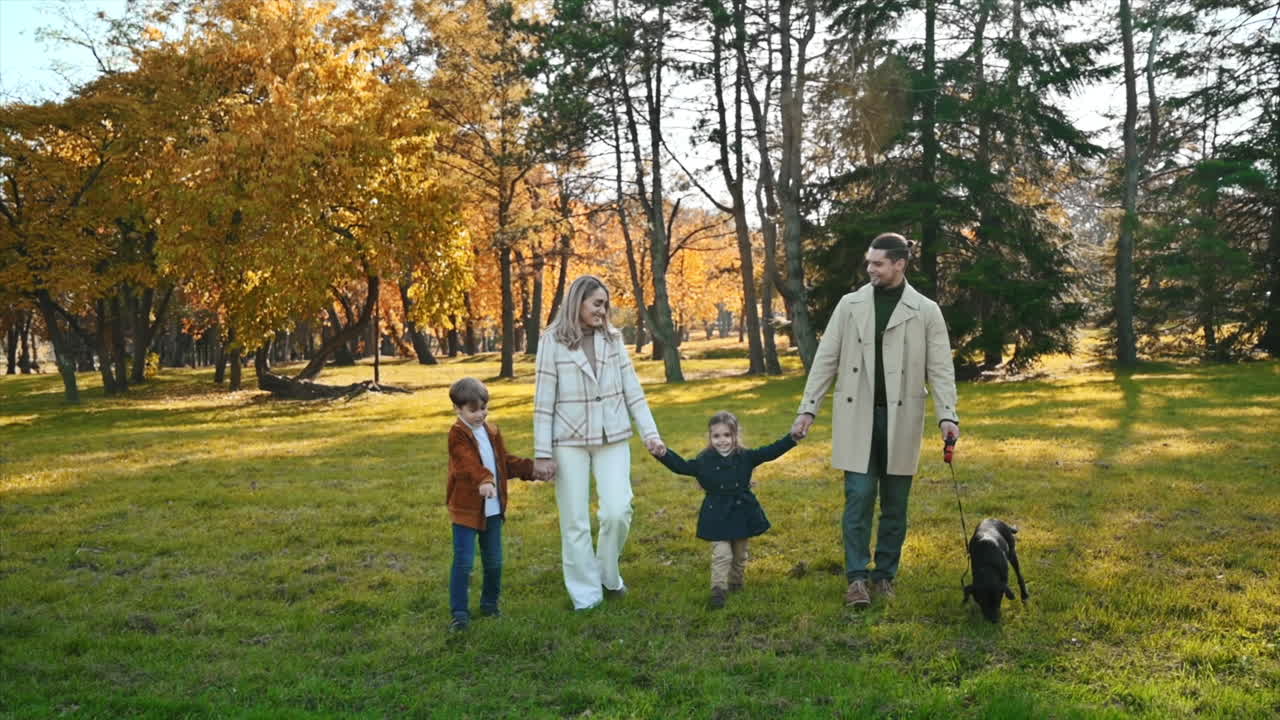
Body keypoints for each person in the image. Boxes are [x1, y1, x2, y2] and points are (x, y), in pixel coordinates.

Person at [791, 232, 960, 609]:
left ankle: (884, 576)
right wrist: (808, 408)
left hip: (903, 418)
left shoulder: (926, 310)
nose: (870, 269)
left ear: (899, 264)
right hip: (857, 417)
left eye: (878, 263)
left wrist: (948, 416)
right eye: (869, 262)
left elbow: (941, 369)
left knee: (896, 505)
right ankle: (856, 579)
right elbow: (826, 360)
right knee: (859, 497)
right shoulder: (849, 305)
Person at [533, 275, 666, 610]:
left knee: (618, 510)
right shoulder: (552, 340)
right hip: (568, 440)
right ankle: (586, 595)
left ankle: (608, 574)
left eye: (605, 304)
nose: (603, 311)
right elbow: (543, 400)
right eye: (597, 303)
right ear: (578, 301)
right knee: (575, 520)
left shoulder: (613, 339)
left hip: (613, 435)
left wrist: (650, 433)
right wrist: (542, 453)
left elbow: (632, 389)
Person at [651, 411, 799, 609]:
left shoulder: (746, 457)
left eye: (727, 435)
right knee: (722, 554)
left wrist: (791, 439)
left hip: (742, 511)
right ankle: (718, 590)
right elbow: (681, 467)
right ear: (710, 437)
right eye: (717, 436)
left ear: (735, 435)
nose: (722, 441)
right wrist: (663, 454)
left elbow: (770, 451)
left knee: (739, 554)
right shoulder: (704, 460)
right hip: (716, 514)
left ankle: (736, 583)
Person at [446, 377, 541, 631]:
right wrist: (484, 479)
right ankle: (459, 613)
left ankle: (490, 606)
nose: (480, 414)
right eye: (473, 410)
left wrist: (532, 469)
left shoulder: (492, 431)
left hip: (493, 509)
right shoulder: (457, 435)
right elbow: (467, 464)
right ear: (458, 409)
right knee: (464, 562)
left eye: (484, 408)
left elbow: (504, 463)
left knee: (495, 561)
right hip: (466, 510)